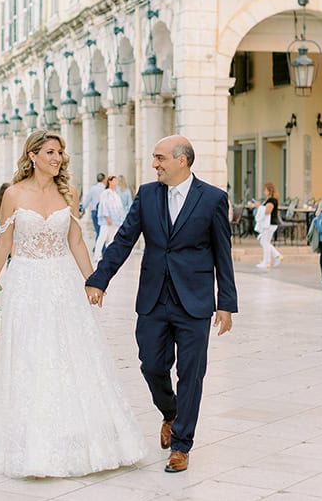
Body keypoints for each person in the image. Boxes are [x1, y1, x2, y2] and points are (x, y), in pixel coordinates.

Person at [0, 129, 146, 478]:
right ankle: (26, 438)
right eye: (51, 152)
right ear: (33, 156)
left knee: (68, 354)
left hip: (61, 283)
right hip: (25, 282)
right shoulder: (13, 194)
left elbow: (76, 241)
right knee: (27, 355)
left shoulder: (68, 192)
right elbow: (3, 244)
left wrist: (94, 281)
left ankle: (74, 434)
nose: (58, 158)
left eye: (60, 153)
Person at [85, 135, 237, 473]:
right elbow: (125, 238)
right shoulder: (148, 194)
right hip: (153, 297)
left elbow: (222, 255)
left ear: (181, 160)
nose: (155, 164)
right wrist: (99, 279)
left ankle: (182, 445)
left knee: (191, 373)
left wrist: (225, 303)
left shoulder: (212, 199)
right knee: (151, 364)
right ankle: (171, 413)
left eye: (160, 158)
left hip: (194, 300)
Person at [94, 175, 125, 262]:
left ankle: (109, 256)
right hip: (106, 220)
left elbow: (119, 208)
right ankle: (97, 255)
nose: (116, 183)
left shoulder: (116, 194)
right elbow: (104, 205)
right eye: (114, 181)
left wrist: (121, 219)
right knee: (102, 237)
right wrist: (107, 216)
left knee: (111, 239)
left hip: (115, 220)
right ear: (110, 182)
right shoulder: (106, 193)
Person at [254, 182, 282, 270]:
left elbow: (267, 211)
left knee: (265, 242)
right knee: (264, 241)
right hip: (269, 224)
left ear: (269, 191)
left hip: (270, 224)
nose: (264, 192)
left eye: (265, 190)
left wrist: (259, 207)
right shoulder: (269, 200)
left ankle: (267, 262)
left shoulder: (272, 201)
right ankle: (277, 256)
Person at [81, 172, 106, 247]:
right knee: (101, 231)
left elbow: (87, 201)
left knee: (98, 230)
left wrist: (83, 208)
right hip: (104, 212)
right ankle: (101, 249)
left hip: (94, 212)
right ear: (104, 179)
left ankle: (98, 248)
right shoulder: (105, 189)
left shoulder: (93, 188)